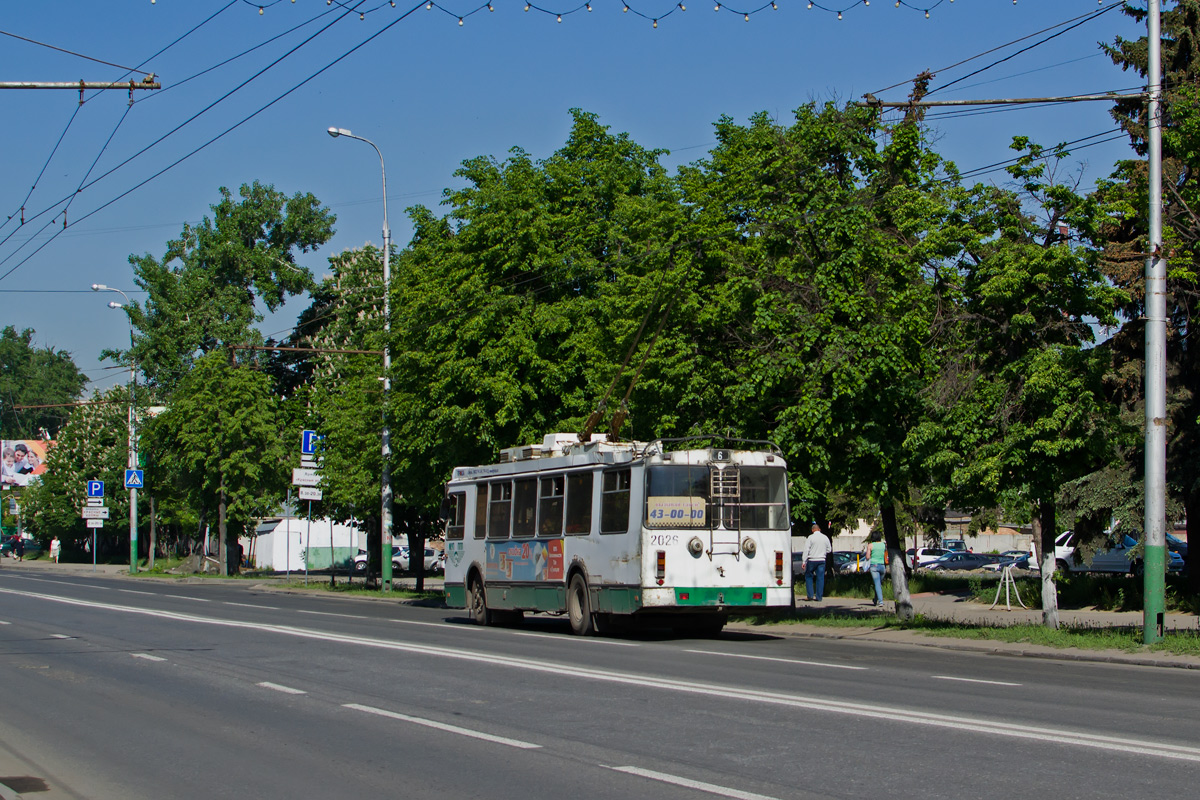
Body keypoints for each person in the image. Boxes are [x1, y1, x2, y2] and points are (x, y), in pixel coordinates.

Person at [801, 522, 832, 601]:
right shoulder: (825, 537)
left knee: (808, 576)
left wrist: (804, 561)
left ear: (812, 530)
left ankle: (810, 595)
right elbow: (829, 549)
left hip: (812, 560)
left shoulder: (810, 538)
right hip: (821, 560)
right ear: (819, 529)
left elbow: (806, 550)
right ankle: (819, 597)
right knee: (820, 578)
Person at [866, 532, 887, 607]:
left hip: (874, 566)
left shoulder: (870, 545)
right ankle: (875, 599)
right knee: (878, 583)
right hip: (882, 566)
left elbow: (867, 557)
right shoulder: (883, 545)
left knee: (877, 584)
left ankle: (880, 601)